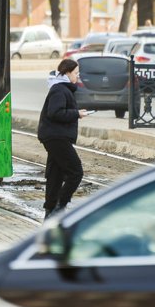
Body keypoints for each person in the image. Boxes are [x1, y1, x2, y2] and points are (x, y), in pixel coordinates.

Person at [37, 58, 88, 219]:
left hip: (54, 136)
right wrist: (76, 113)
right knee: (76, 172)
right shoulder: (59, 89)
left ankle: (50, 211)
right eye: (75, 73)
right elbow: (55, 112)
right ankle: (60, 207)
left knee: (55, 175)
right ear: (67, 73)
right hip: (56, 137)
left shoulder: (61, 88)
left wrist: (75, 112)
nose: (77, 77)